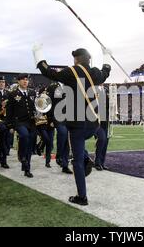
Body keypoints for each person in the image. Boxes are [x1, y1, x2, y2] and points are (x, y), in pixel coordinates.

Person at [33, 45, 111, 206]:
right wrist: (107, 56)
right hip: (93, 123)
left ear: (76, 59)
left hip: (76, 124)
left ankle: (82, 197)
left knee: (76, 160)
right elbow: (106, 71)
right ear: (89, 59)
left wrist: (38, 55)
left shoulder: (71, 72)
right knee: (89, 140)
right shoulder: (95, 72)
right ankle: (86, 157)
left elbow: (48, 72)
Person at [6, 74, 37, 178]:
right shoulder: (13, 94)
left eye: (26, 80)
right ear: (18, 81)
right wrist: (10, 125)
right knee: (24, 136)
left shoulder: (32, 92)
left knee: (30, 145)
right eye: (23, 80)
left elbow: (36, 107)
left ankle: (27, 168)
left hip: (31, 122)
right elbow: (9, 111)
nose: (25, 82)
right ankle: (21, 154)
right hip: (19, 122)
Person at [0, 76, 10, 169]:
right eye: (0, 82)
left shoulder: (8, 93)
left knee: (5, 139)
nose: (2, 83)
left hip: (5, 119)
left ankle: (3, 159)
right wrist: (1, 106)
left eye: (3, 82)